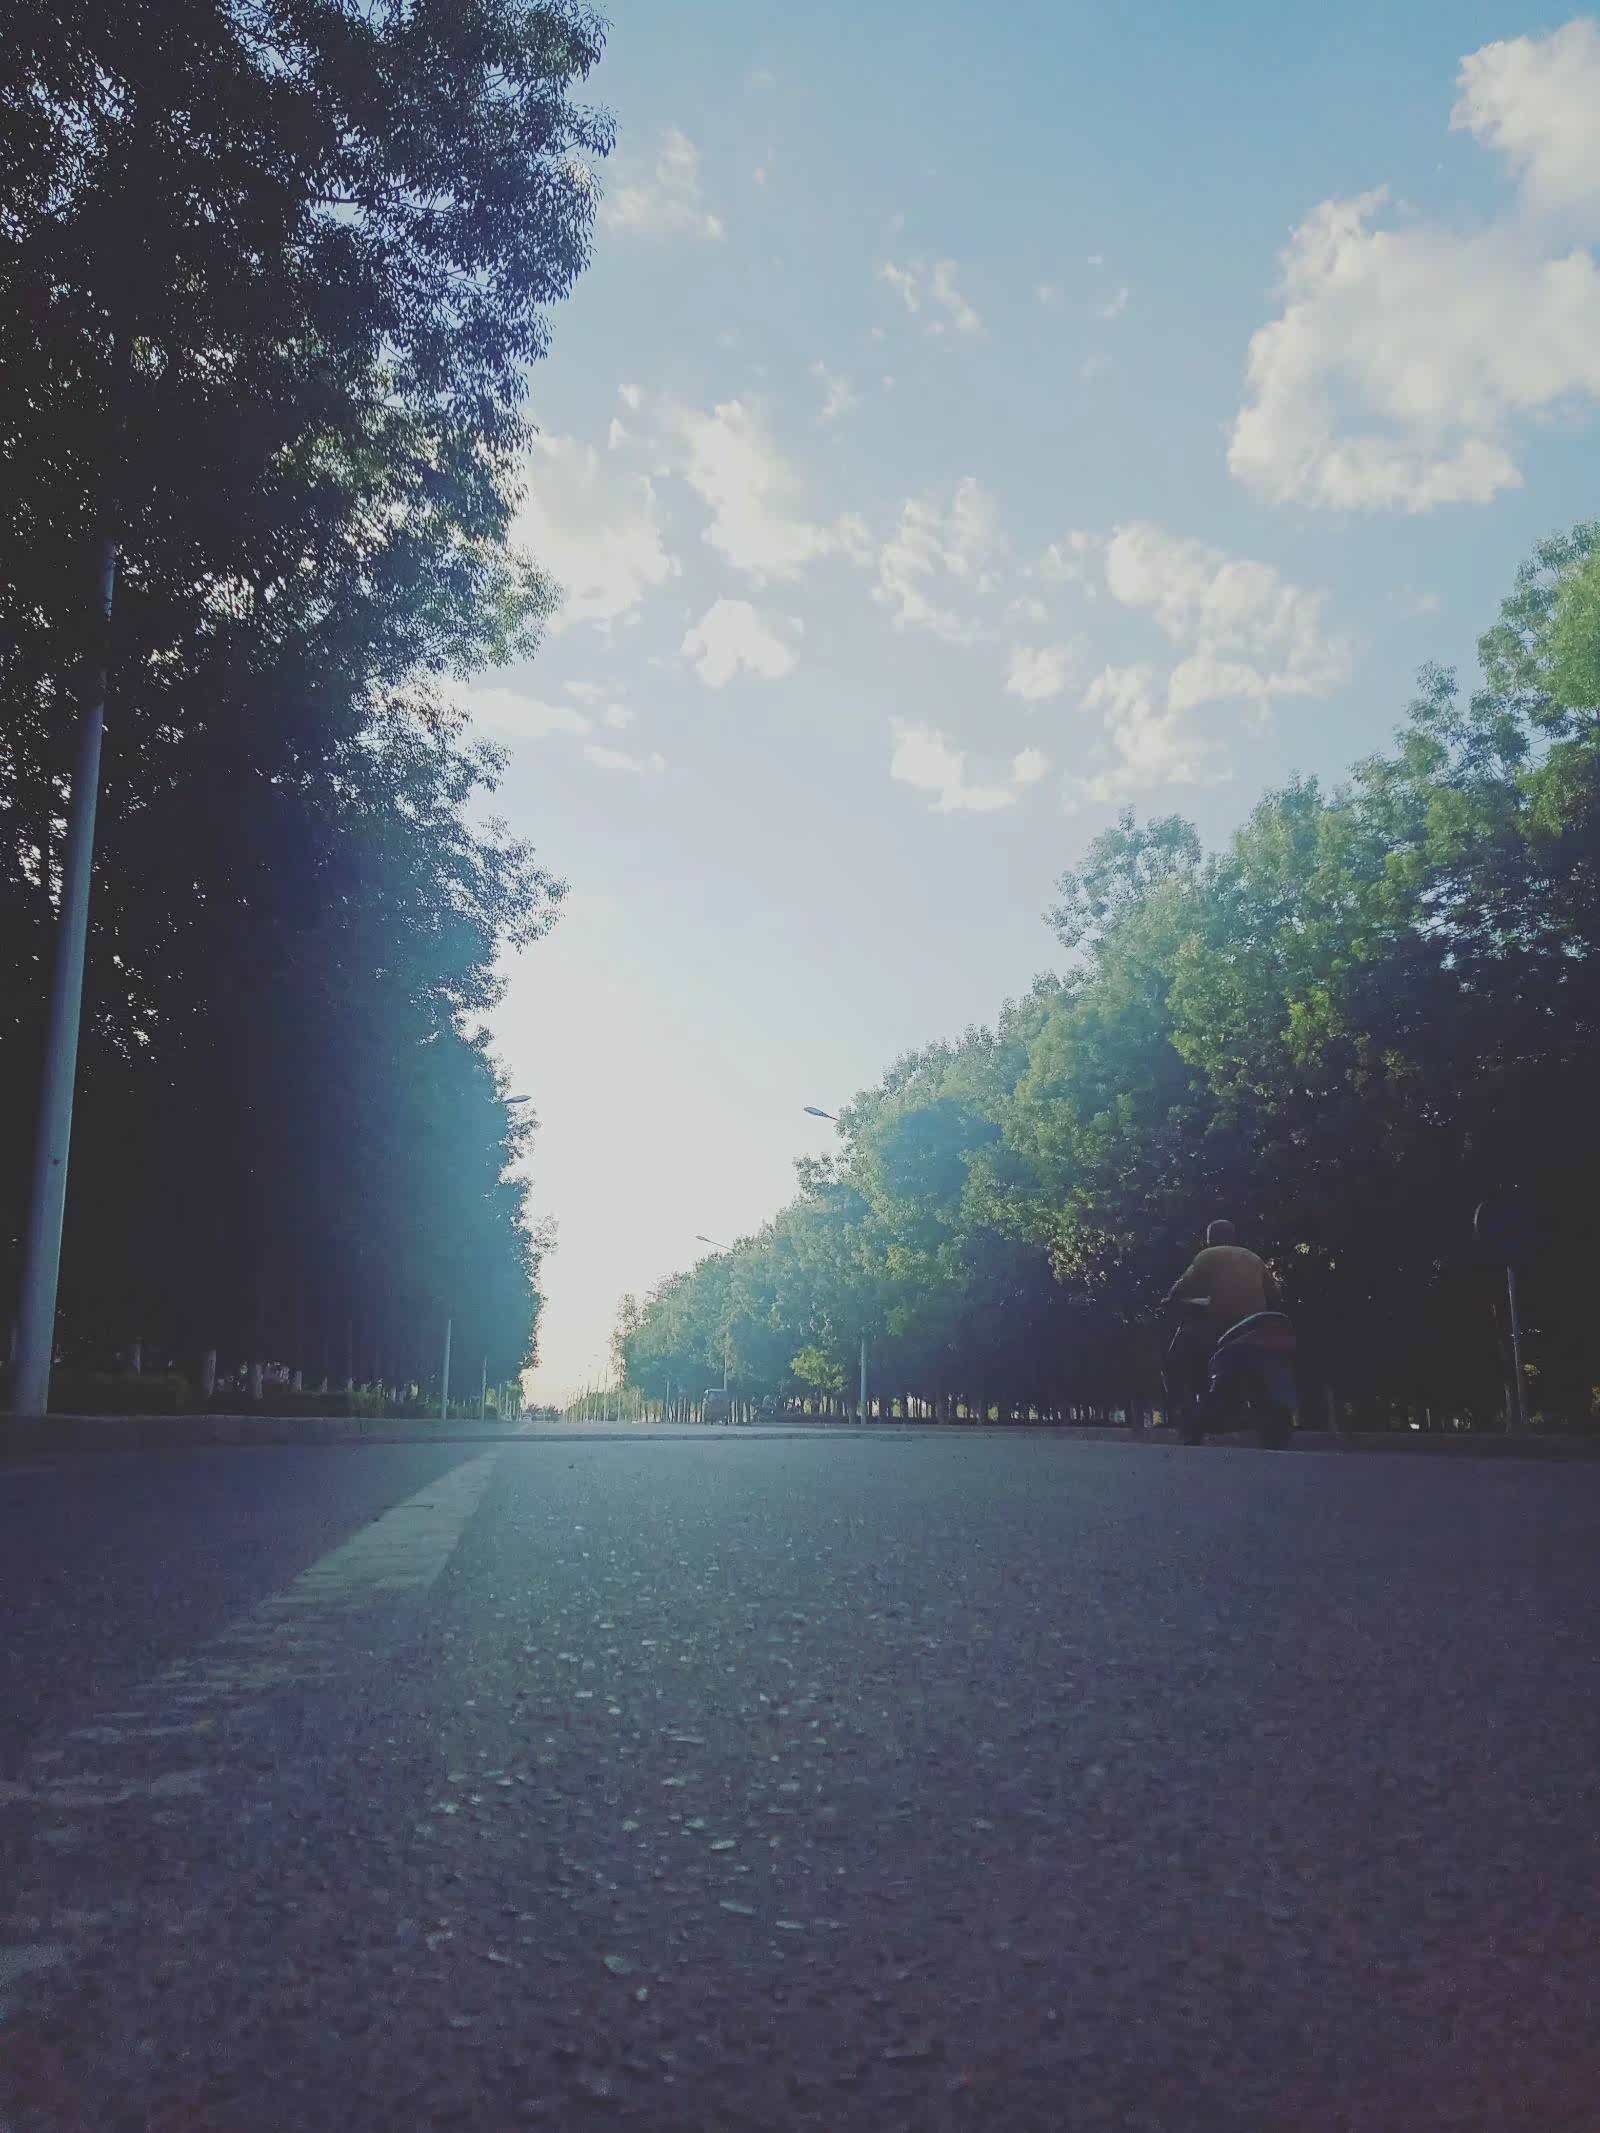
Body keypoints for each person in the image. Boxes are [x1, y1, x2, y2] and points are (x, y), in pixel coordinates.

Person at [1160, 1220, 1279, 1422]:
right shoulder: (1254, 1258)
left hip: (1220, 1325)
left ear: (1210, 1239)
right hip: (1255, 1327)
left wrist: (1170, 1300)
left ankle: (1187, 1409)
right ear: (1233, 1237)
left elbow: (1182, 1286)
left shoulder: (1207, 1256)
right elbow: (1274, 1294)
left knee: (1177, 1357)